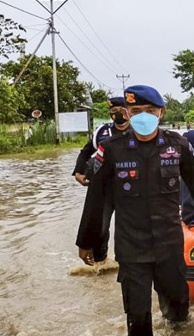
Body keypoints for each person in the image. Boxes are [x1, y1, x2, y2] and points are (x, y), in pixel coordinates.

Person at [75, 85, 194, 336]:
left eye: (150, 110)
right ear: (127, 112)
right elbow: (97, 199)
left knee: (179, 311)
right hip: (131, 247)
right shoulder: (111, 149)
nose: (143, 115)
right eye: (136, 110)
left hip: (169, 243)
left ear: (161, 113)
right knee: (137, 316)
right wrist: (87, 242)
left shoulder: (177, 145)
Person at [71, 96, 130, 265]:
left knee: (129, 227)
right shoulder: (102, 132)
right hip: (104, 187)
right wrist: (78, 172)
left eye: (121, 111)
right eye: (113, 112)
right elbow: (85, 152)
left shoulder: (139, 131)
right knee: (100, 226)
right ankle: (100, 262)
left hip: (131, 187)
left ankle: (128, 262)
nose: (117, 114)